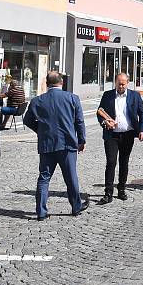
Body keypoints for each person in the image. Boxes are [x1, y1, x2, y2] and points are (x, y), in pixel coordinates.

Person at [23, 71, 88, 221]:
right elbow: (79, 122)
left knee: (44, 178)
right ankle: (76, 207)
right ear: (62, 82)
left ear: (47, 83)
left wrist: (40, 130)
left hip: (47, 144)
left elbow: (27, 120)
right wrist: (82, 140)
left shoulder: (37, 100)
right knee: (71, 178)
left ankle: (41, 212)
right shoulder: (72, 98)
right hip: (67, 144)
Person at [95, 73, 143, 204]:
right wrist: (104, 122)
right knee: (111, 161)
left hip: (128, 134)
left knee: (124, 162)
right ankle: (108, 192)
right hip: (111, 135)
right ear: (115, 82)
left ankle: (121, 189)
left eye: (123, 83)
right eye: (119, 83)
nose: (121, 86)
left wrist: (142, 130)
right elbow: (99, 112)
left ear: (128, 83)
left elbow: (142, 113)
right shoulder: (107, 95)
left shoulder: (135, 96)